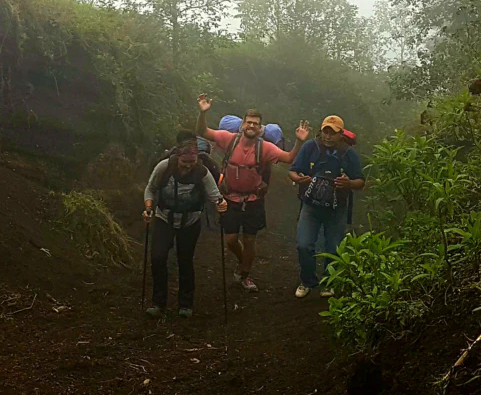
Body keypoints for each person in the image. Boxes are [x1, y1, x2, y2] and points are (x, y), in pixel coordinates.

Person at [196, 94, 310, 292]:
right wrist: (202, 113)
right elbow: (202, 131)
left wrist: (299, 142)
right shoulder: (228, 139)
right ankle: (243, 261)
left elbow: (289, 157)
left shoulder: (264, 147)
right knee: (231, 240)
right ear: (242, 125)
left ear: (260, 128)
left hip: (253, 200)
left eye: (255, 124)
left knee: (250, 240)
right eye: (248, 122)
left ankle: (245, 274)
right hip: (230, 196)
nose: (251, 126)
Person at [143, 130, 227, 318]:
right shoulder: (164, 167)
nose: (189, 166)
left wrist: (221, 204)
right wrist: (148, 208)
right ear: (177, 157)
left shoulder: (202, 172)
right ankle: (158, 303)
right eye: (184, 162)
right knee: (157, 258)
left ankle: (186, 304)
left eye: (192, 162)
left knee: (185, 260)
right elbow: (150, 188)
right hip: (164, 217)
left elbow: (215, 195)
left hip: (190, 221)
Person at [289, 115, 366, 298]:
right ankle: (307, 280)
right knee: (304, 245)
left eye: (333, 133)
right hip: (310, 206)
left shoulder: (349, 154)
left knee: (333, 248)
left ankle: (329, 281)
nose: (328, 136)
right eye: (326, 131)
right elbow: (292, 170)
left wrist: (348, 183)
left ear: (341, 135)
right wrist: (299, 179)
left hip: (337, 208)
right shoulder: (310, 147)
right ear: (321, 131)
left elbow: (361, 181)